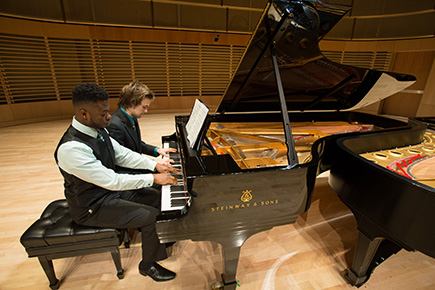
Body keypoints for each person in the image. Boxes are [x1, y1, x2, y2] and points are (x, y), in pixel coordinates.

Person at [54, 83, 178, 282]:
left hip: (107, 193)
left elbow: (122, 155)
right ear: (84, 114)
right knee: (150, 215)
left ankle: (158, 241)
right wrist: (153, 177)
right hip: (91, 206)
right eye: (103, 113)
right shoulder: (72, 148)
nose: (109, 116)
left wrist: (154, 165)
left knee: (157, 197)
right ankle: (147, 265)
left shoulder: (97, 129)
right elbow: (112, 180)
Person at [107, 81, 176, 170]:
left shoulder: (131, 117)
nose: (146, 111)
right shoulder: (114, 125)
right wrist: (152, 163)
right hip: (128, 171)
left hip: (135, 164)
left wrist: (156, 150)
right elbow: (121, 159)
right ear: (132, 103)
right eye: (144, 107)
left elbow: (135, 145)